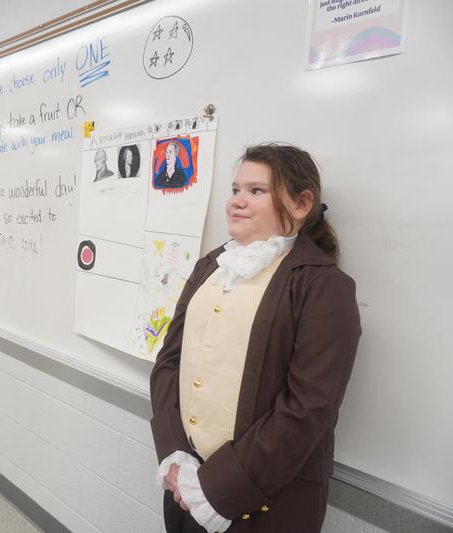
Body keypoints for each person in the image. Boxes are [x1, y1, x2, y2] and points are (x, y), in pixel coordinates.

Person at [150, 143, 361, 533]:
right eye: (235, 190)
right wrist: (176, 454)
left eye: (256, 191)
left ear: (301, 204)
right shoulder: (210, 266)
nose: (237, 202)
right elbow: (169, 362)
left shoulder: (323, 286)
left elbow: (308, 407)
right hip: (185, 482)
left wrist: (213, 488)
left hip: (265, 502)